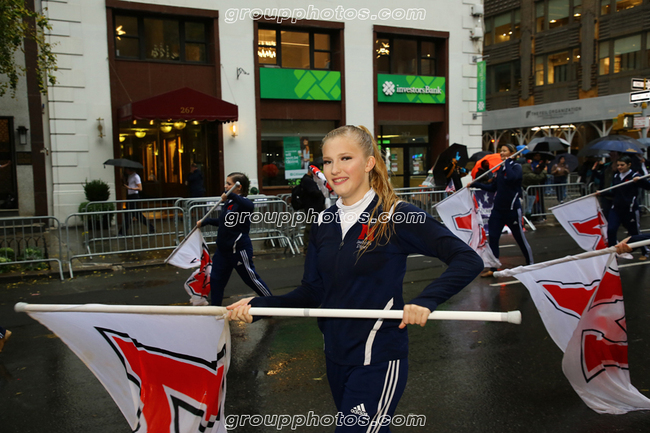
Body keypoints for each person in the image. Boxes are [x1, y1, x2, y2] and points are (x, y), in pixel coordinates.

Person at [228, 125, 483, 432]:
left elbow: (467, 259)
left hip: (378, 357)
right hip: (335, 355)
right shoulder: (323, 222)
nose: (335, 169)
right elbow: (313, 291)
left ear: (368, 163)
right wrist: (262, 305)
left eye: (345, 158)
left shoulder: (397, 214)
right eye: (328, 161)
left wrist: (425, 301)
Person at [196, 172, 272, 306]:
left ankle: (272, 303)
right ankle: (215, 310)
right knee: (216, 280)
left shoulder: (243, 203)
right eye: (226, 183)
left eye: (229, 184)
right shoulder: (229, 202)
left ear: (238, 187)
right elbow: (224, 221)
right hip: (223, 251)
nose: (225, 186)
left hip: (238, 250)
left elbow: (249, 205)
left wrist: (230, 195)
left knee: (251, 279)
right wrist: (206, 221)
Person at [470, 144, 534, 277]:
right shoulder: (500, 169)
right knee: (493, 238)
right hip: (498, 210)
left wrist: (508, 162)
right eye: (501, 151)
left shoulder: (516, 167)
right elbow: (493, 187)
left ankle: (530, 264)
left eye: (505, 151)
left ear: (512, 153)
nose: (502, 153)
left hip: (512, 210)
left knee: (519, 238)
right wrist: (476, 184)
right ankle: (493, 268)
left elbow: (511, 178)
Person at [599, 155, 650, 259]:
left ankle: (645, 251)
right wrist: (602, 193)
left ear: (629, 165)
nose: (619, 167)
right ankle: (612, 253)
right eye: (618, 165)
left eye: (622, 165)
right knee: (611, 230)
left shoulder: (634, 176)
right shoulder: (616, 176)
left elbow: (648, 186)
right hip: (616, 209)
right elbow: (614, 192)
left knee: (635, 233)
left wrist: (640, 181)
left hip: (630, 210)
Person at [119, 167, 155, 235]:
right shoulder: (129, 176)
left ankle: (122, 231)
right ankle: (123, 231)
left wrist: (130, 188)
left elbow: (140, 188)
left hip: (134, 196)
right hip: (130, 196)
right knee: (131, 214)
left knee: (133, 214)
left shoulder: (136, 176)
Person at [299, 166, 326, 253]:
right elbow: (313, 192)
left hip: (315, 207)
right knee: (310, 227)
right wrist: (322, 192)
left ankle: (313, 246)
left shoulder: (312, 180)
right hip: (312, 207)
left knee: (316, 226)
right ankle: (307, 248)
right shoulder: (308, 180)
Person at [522, 155, 547, 219]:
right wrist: (544, 171)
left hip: (530, 191)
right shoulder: (528, 174)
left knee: (528, 206)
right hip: (530, 191)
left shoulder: (526, 173)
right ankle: (527, 219)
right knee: (528, 207)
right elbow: (537, 178)